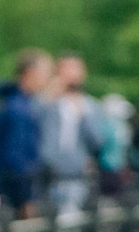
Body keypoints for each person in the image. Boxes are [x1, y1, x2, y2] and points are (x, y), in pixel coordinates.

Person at [39, 52, 108, 215]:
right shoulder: (48, 101)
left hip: (76, 174)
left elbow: (98, 141)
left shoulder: (90, 105)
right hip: (47, 174)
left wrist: (84, 116)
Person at [0, 50, 51, 215]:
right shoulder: (19, 108)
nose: (47, 78)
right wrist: (26, 194)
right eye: (45, 72)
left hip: (19, 184)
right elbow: (15, 154)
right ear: (30, 73)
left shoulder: (20, 104)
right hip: (18, 188)